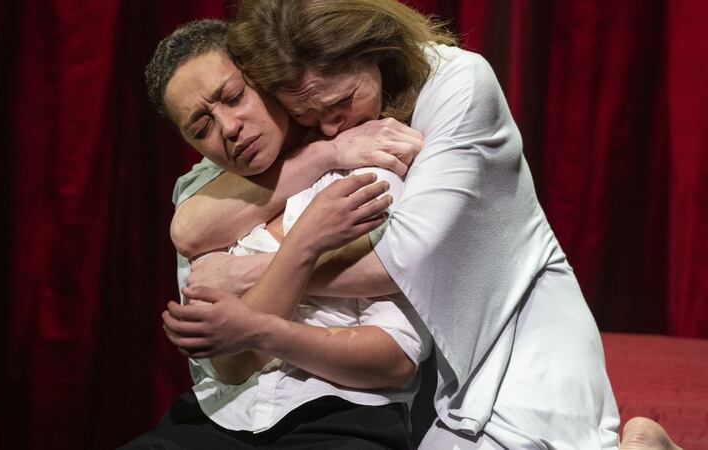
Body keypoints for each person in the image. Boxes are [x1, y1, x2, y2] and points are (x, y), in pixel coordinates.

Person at [164, 2, 678, 449]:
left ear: (375, 49)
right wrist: (325, 151)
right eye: (308, 116)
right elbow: (188, 226)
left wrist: (254, 273)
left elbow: (406, 259)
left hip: (508, 320)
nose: (330, 124)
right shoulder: (320, 131)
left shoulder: (457, 85)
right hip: (413, 373)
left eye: (340, 106)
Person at [122, 19, 434, 449]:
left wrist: (270, 272)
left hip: (342, 415)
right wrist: (323, 157)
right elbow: (230, 363)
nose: (228, 128)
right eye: (201, 128)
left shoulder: (367, 160)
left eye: (234, 97)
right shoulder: (204, 193)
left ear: (267, 78)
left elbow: (395, 358)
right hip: (217, 416)